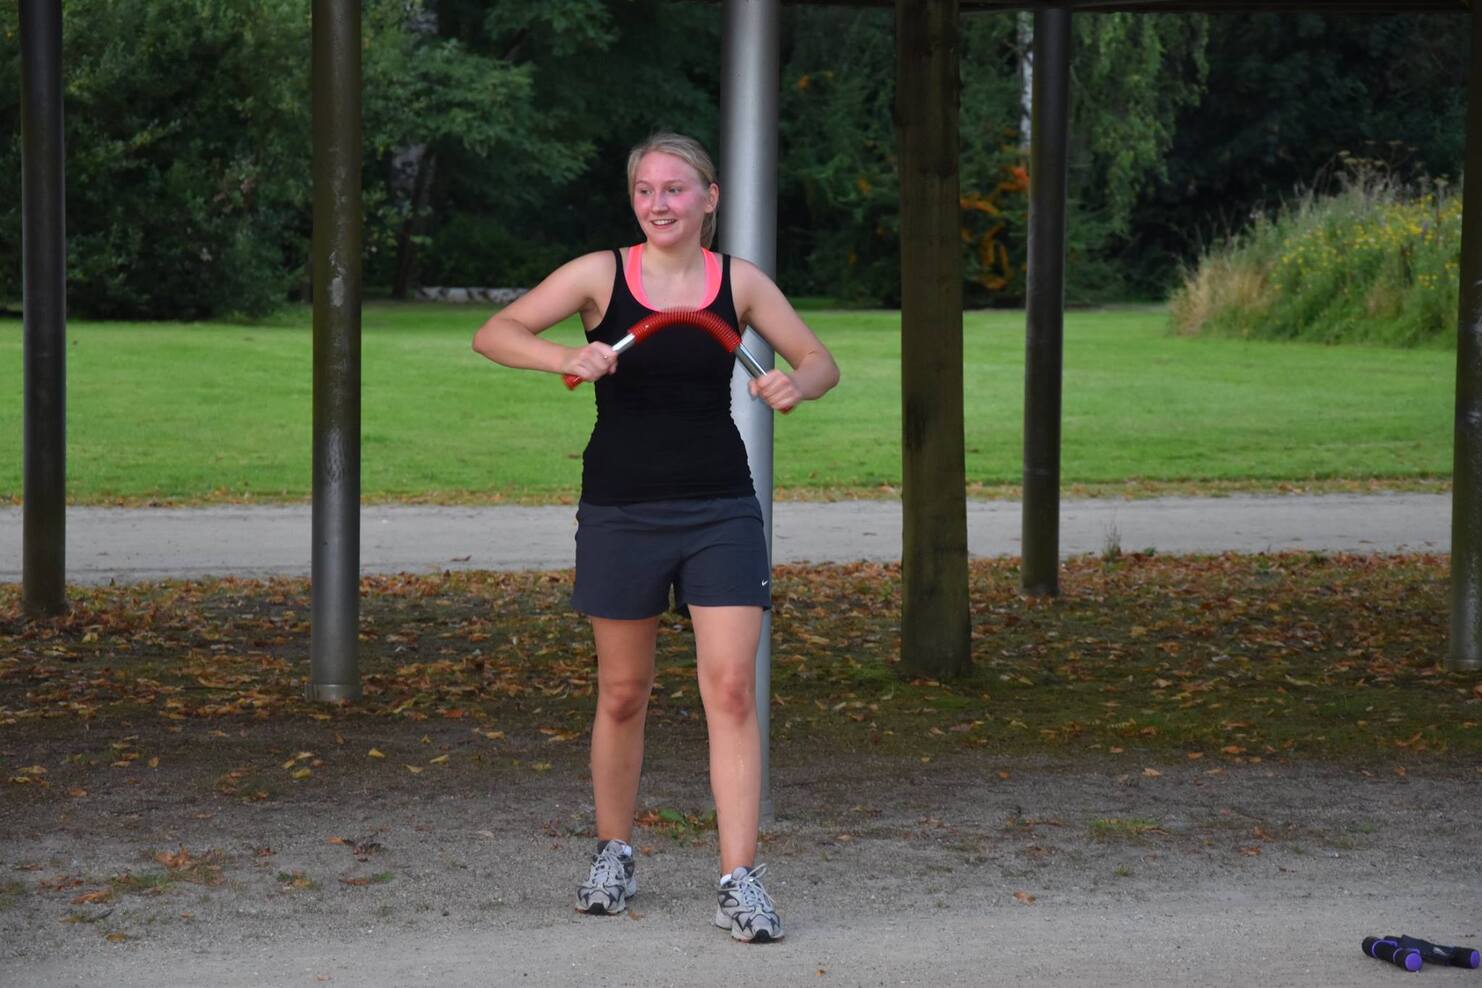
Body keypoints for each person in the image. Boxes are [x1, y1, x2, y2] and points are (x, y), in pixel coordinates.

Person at [472, 133, 839, 943]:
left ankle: (739, 880)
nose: (660, 203)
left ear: (710, 198)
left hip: (720, 508)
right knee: (622, 692)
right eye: (646, 189)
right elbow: (494, 333)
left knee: (732, 689)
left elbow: (820, 359)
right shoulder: (599, 274)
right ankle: (614, 853)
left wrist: (794, 383)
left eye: (676, 189)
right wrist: (564, 353)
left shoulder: (737, 281)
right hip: (621, 508)